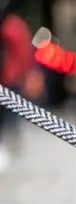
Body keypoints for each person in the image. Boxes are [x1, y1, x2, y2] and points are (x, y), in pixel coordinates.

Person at [0, 2, 32, 170]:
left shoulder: (11, 26)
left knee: (9, 114)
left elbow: (20, 54)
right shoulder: (17, 25)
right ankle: (12, 142)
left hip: (9, 77)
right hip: (13, 76)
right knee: (12, 113)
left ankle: (9, 143)